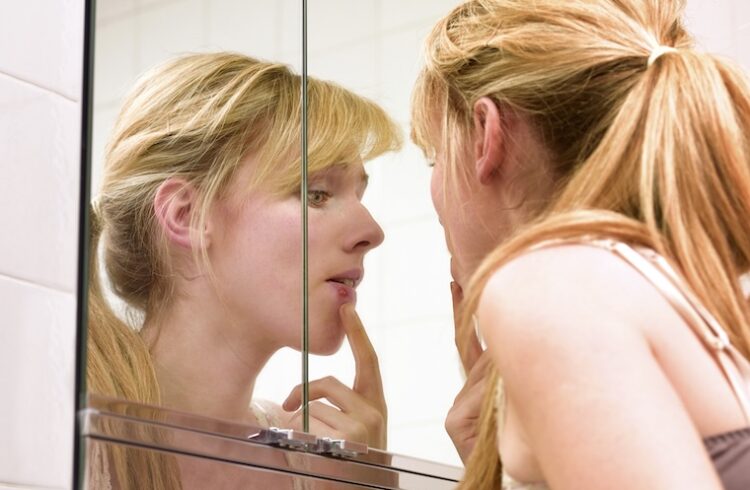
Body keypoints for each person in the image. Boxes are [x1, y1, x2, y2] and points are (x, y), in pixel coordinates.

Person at [410, 1, 750, 489]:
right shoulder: (696, 296)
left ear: (486, 135)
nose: (437, 188)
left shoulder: (552, 282)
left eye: (434, 157)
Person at [87, 51, 401, 488]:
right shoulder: (66, 440)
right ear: (186, 216)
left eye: (359, 195)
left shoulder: (315, 467)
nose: (371, 231)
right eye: (316, 194)